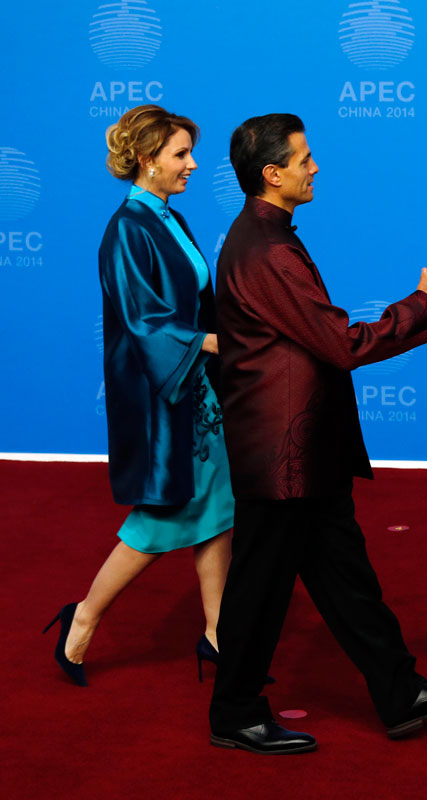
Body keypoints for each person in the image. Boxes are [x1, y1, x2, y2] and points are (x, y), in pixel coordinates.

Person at [208, 113, 427, 755]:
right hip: (283, 458)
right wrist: (419, 309)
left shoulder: (266, 238)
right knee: (258, 590)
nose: (315, 167)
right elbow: (340, 344)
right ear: (272, 174)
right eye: (303, 158)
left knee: (347, 581)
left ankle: (400, 691)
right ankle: (234, 714)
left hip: (304, 453)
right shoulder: (269, 250)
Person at [43, 105, 235, 687]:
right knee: (158, 520)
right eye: (181, 154)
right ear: (148, 160)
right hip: (163, 395)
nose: (193, 164)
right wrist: (213, 342)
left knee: (218, 509)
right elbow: (144, 322)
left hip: (196, 389)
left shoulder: (169, 218)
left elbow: (198, 299)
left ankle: (219, 636)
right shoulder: (128, 228)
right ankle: (82, 619)